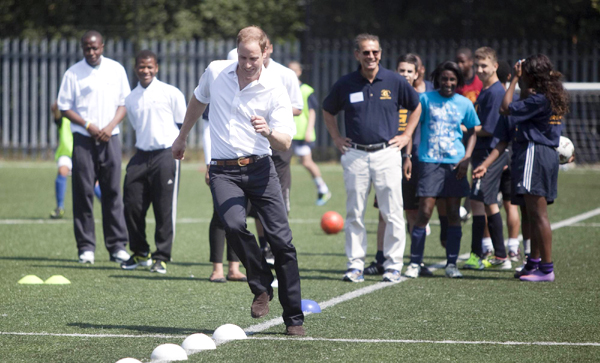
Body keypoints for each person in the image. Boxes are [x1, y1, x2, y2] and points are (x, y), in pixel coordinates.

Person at [172, 26, 305, 335]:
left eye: (254, 58)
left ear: (266, 52)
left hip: (260, 169)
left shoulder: (275, 88)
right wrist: (182, 136)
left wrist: (268, 131)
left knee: (282, 243)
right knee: (232, 224)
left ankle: (294, 318)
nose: (247, 64)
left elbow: (285, 142)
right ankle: (260, 284)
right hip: (222, 170)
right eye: (243, 57)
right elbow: (198, 100)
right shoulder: (217, 72)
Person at [323, 34, 422, 283]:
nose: (371, 56)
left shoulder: (395, 80)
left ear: (380, 53)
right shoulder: (346, 83)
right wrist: (336, 138)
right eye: (366, 52)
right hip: (355, 153)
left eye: (375, 52)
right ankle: (355, 265)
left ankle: (393, 265)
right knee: (355, 212)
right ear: (357, 54)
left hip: (387, 153)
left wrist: (406, 134)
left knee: (393, 212)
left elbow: (416, 105)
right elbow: (327, 109)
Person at [473, 54, 569, 282]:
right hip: (544, 154)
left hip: (534, 153)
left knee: (537, 215)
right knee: (530, 212)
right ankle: (533, 263)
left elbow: (505, 108)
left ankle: (546, 269)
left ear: (530, 75)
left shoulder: (539, 100)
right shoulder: (548, 96)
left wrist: (514, 80)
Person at [57, 30, 130, 265]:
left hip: (111, 138)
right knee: (83, 192)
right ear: (82, 49)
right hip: (84, 140)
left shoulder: (116, 69)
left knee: (112, 192)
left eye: (95, 48)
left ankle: (117, 246)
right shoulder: (73, 73)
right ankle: (86, 247)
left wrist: (109, 126)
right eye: (87, 48)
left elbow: (124, 102)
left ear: (103, 46)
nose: (92, 52)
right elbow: (64, 106)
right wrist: (87, 124)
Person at [404, 61, 480, 279]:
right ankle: (415, 263)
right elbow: (413, 127)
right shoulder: (425, 99)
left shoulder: (464, 103)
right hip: (429, 163)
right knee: (425, 212)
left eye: (452, 79)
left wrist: (466, 158)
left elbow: (473, 132)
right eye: (445, 79)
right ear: (438, 80)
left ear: (458, 81)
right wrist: (408, 157)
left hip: (455, 165)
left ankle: (451, 264)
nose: (448, 83)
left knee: (453, 214)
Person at [364, 53, 432, 277]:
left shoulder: (420, 99)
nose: (405, 75)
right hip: (386, 159)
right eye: (401, 70)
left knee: (411, 211)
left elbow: (414, 132)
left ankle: (415, 260)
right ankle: (381, 259)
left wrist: (409, 156)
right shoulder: (388, 94)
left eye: (409, 71)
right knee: (384, 212)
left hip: (411, 161)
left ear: (417, 74)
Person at [118, 50, 185, 274]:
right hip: (140, 155)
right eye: (141, 66)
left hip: (166, 155)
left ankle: (161, 256)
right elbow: (138, 126)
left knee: (163, 209)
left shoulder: (170, 92)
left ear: (156, 68)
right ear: (135, 68)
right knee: (131, 205)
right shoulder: (130, 98)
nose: (145, 70)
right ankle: (139, 253)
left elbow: (182, 122)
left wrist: (178, 147)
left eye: (150, 67)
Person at [462, 47, 511, 271]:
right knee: (485, 202)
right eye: (478, 66)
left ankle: (482, 255)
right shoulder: (487, 90)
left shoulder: (495, 92)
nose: (480, 70)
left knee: (482, 202)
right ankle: (497, 254)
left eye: (485, 66)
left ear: (495, 66)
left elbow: (490, 129)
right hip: (483, 153)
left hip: (488, 154)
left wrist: (464, 127)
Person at [202, 107, 247, 283]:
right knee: (220, 214)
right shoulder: (216, 83)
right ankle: (217, 269)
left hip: (247, 162)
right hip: (221, 164)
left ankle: (234, 268)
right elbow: (207, 129)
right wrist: (208, 163)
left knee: (239, 215)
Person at [287, 60, 331, 206]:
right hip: (286, 133)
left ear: (299, 72)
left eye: (294, 70)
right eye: (289, 70)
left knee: (306, 162)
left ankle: (322, 188)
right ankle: (283, 194)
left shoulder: (306, 90)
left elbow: (312, 112)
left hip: (301, 134)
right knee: (282, 163)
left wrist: (308, 130)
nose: (292, 73)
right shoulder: (283, 88)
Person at [50, 102, 102, 219]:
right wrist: (60, 103)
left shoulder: (84, 121)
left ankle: (108, 206)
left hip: (82, 153)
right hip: (67, 155)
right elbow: (55, 110)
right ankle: (60, 207)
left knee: (94, 181)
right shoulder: (63, 120)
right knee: (63, 170)